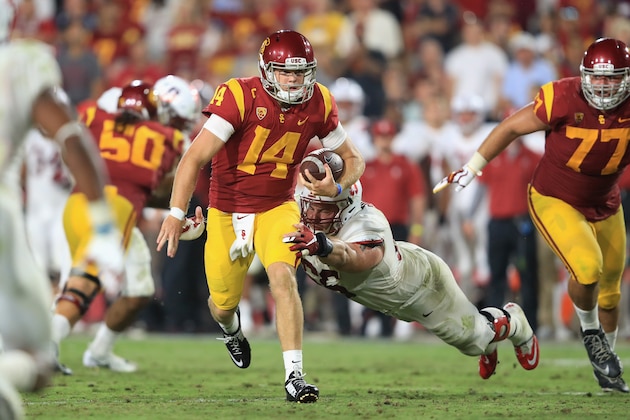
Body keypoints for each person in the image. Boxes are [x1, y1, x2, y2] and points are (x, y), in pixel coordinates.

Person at [157, 29, 365, 403]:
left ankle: (295, 376)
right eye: (284, 72)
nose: (293, 80)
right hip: (226, 210)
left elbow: (354, 160)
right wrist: (176, 212)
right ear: (266, 70)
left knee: (283, 278)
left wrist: (336, 188)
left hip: (278, 207)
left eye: (300, 72)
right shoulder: (240, 95)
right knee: (221, 306)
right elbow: (194, 158)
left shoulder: (318, 100)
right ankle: (233, 330)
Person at [434, 37, 630, 393]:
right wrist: (473, 166)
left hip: (606, 201)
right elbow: (510, 127)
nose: (603, 85)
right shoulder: (562, 96)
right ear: (584, 76)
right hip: (555, 198)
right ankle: (590, 332)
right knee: (587, 270)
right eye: (597, 78)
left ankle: (608, 367)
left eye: (612, 78)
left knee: (612, 293)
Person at [0, 0, 124, 417]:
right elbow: (71, 137)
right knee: (37, 362)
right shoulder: (19, 64)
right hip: (7, 216)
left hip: (27, 213)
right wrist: (103, 226)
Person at [283, 181, 539, 381]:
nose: (314, 216)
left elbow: (354, 256)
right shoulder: (299, 217)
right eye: (311, 206)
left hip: (422, 287)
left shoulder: (367, 224)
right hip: (393, 299)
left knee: (473, 341)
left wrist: (323, 245)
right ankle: (487, 337)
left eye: (324, 209)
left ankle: (514, 322)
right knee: (473, 339)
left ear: (345, 206)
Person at [51, 77, 198, 375]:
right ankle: (45, 346)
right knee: (84, 284)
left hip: (79, 202)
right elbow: (160, 186)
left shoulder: (96, 113)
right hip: (113, 212)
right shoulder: (168, 139)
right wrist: (178, 210)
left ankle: (100, 351)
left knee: (140, 289)